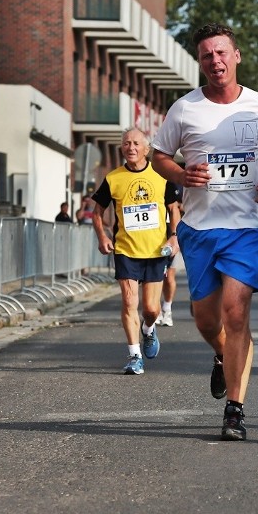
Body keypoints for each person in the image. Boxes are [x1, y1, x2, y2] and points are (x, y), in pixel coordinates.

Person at [151, 22, 258, 441]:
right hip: (199, 228)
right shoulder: (185, 108)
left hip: (246, 227)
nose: (216, 61)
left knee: (235, 312)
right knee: (207, 321)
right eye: (207, 55)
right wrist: (182, 172)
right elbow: (158, 157)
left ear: (237, 55)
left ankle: (235, 410)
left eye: (222, 52)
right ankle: (221, 355)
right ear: (200, 62)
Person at [91, 127, 181, 375]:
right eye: (126, 143)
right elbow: (96, 212)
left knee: (151, 309)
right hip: (125, 249)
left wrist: (174, 237)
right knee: (130, 301)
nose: (130, 148)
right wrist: (102, 236)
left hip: (155, 251)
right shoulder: (113, 178)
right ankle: (134, 356)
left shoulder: (162, 175)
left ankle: (149, 329)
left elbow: (174, 209)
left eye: (136, 144)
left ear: (147, 149)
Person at [157, 183, 185, 327]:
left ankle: (167, 309)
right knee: (152, 277)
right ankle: (155, 310)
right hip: (154, 235)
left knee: (169, 276)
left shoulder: (175, 183)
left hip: (172, 235)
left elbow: (184, 206)